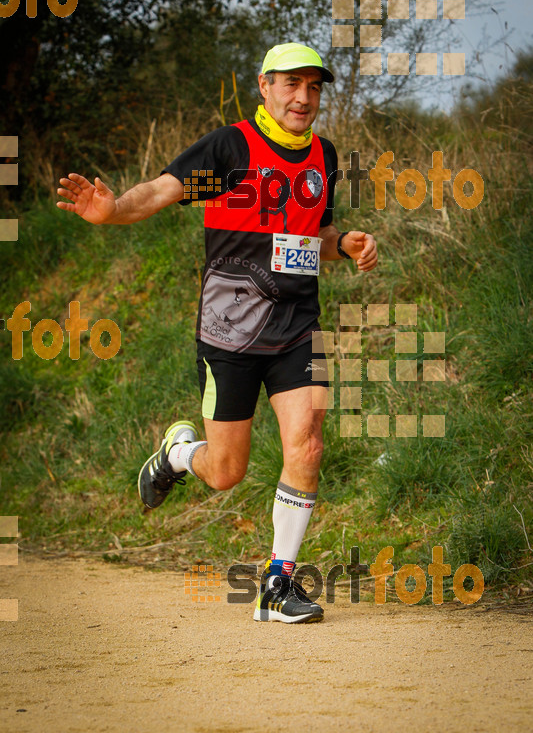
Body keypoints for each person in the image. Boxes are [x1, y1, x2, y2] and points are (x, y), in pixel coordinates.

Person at [57, 42, 378, 623]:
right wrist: (113, 210)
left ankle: (277, 587)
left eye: (313, 86)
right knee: (226, 472)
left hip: (298, 327)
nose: (303, 97)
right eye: (290, 84)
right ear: (264, 86)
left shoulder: (323, 157)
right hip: (228, 332)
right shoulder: (231, 147)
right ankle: (179, 453)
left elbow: (315, 234)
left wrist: (345, 244)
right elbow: (159, 191)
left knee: (307, 440)